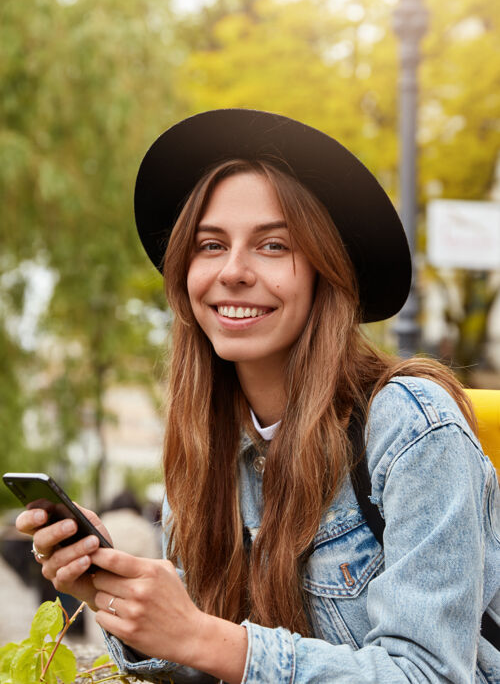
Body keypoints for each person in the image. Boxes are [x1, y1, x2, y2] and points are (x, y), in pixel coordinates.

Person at [16, 109, 499, 683]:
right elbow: (206, 655)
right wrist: (117, 596)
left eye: (273, 246)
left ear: (326, 270)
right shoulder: (205, 444)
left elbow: (432, 675)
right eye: (210, 245)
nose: (234, 271)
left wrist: (204, 636)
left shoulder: (412, 428)